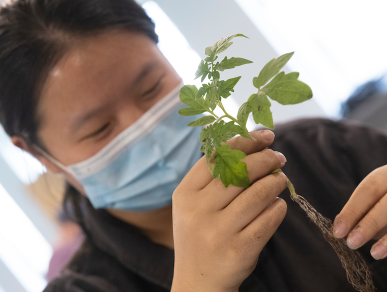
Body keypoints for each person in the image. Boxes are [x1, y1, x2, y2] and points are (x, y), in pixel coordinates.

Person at [0, 1, 386, 291]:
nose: (146, 129)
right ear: (37, 155)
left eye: (151, 88)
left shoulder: (326, 152)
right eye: (99, 128)